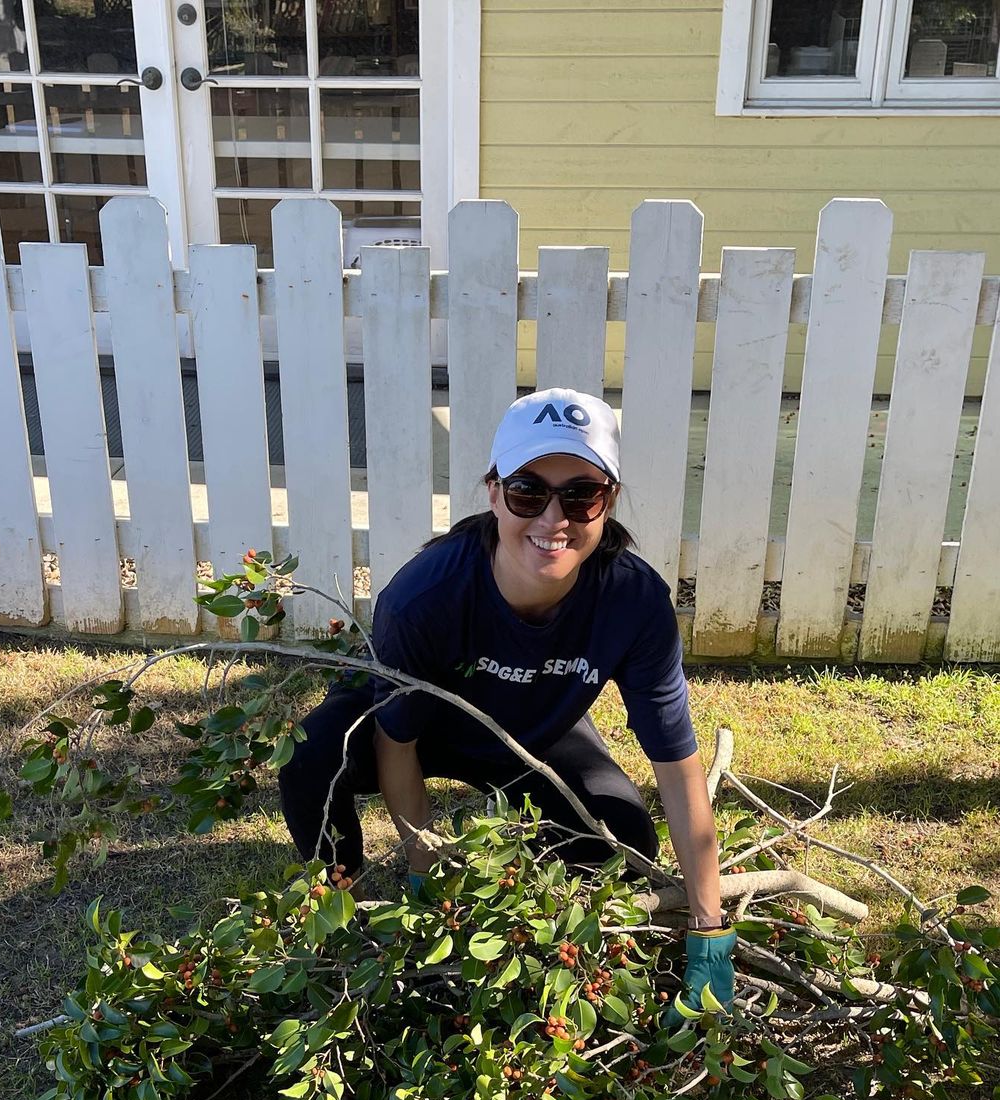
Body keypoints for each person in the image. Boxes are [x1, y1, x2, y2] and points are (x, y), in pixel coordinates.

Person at [278, 388, 735, 1015]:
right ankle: (338, 902)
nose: (554, 518)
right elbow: (398, 740)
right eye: (528, 492)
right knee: (309, 761)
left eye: (581, 494)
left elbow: (678, 768)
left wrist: (709, 929)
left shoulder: (634, 602)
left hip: (535, 734)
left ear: (609, 502)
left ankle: (531, 903)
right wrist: (424, 874)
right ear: (494, 493)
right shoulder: (424, 596)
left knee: (621, 840)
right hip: (422, 728)